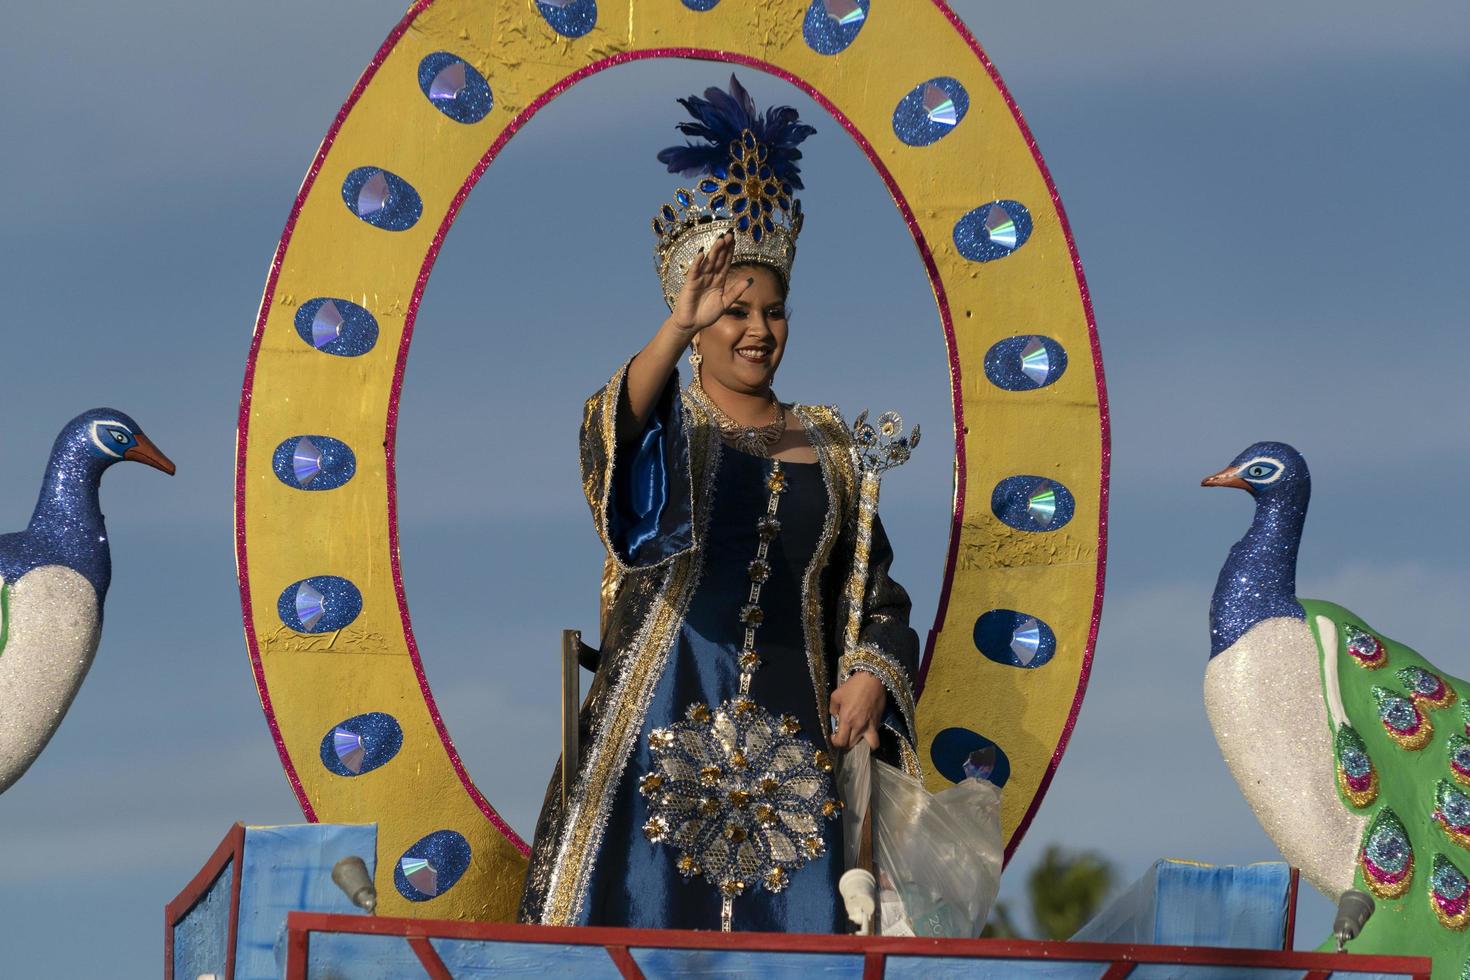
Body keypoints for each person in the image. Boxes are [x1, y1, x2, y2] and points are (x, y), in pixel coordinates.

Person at [519, 76, 920, 933]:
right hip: (657, 731)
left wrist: (872, 677)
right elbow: (614, 444)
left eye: (773, 311)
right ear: (698, 322)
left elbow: (877, 597)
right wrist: (671, 327)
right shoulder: (673, 424)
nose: (757, 330)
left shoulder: (836, 450)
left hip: (794, 761)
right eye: (732, 310)